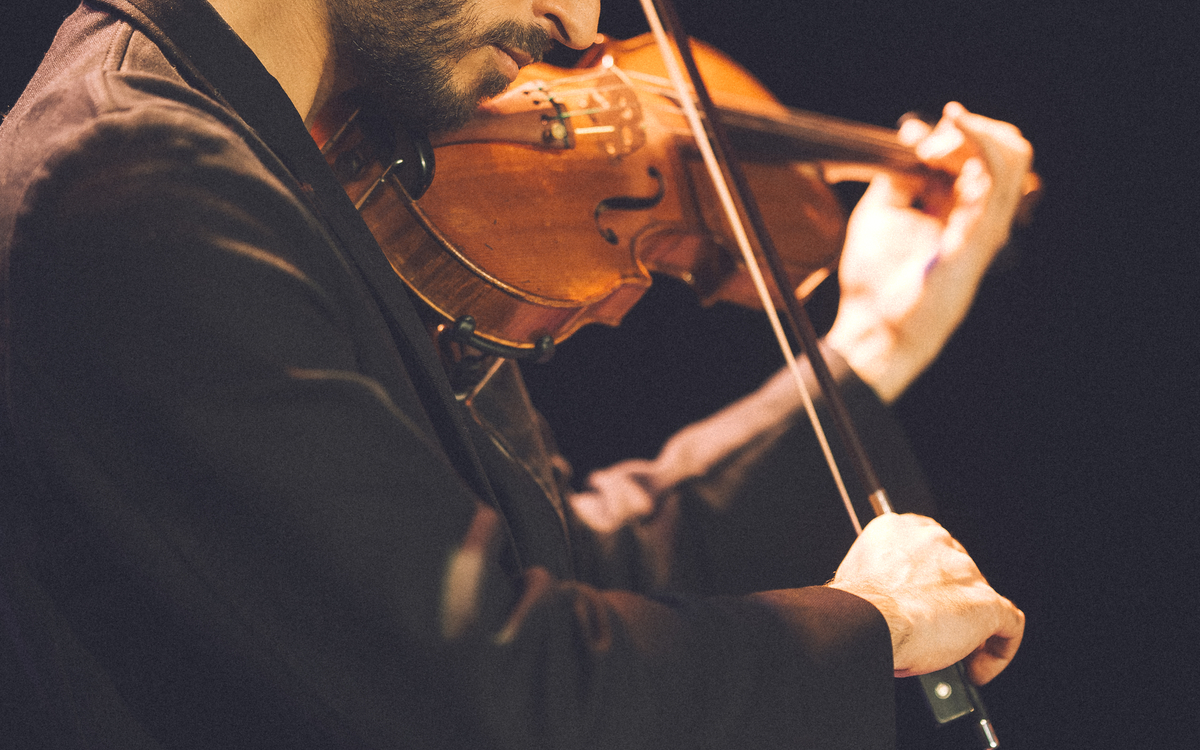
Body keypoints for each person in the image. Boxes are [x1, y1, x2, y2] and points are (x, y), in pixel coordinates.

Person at [0, 0, 1030, 747]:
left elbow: (558, 570)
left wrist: (875, 343)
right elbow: (493, 688)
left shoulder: (301, 160)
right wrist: (868, 627)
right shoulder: (130, 187)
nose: (582, 28)